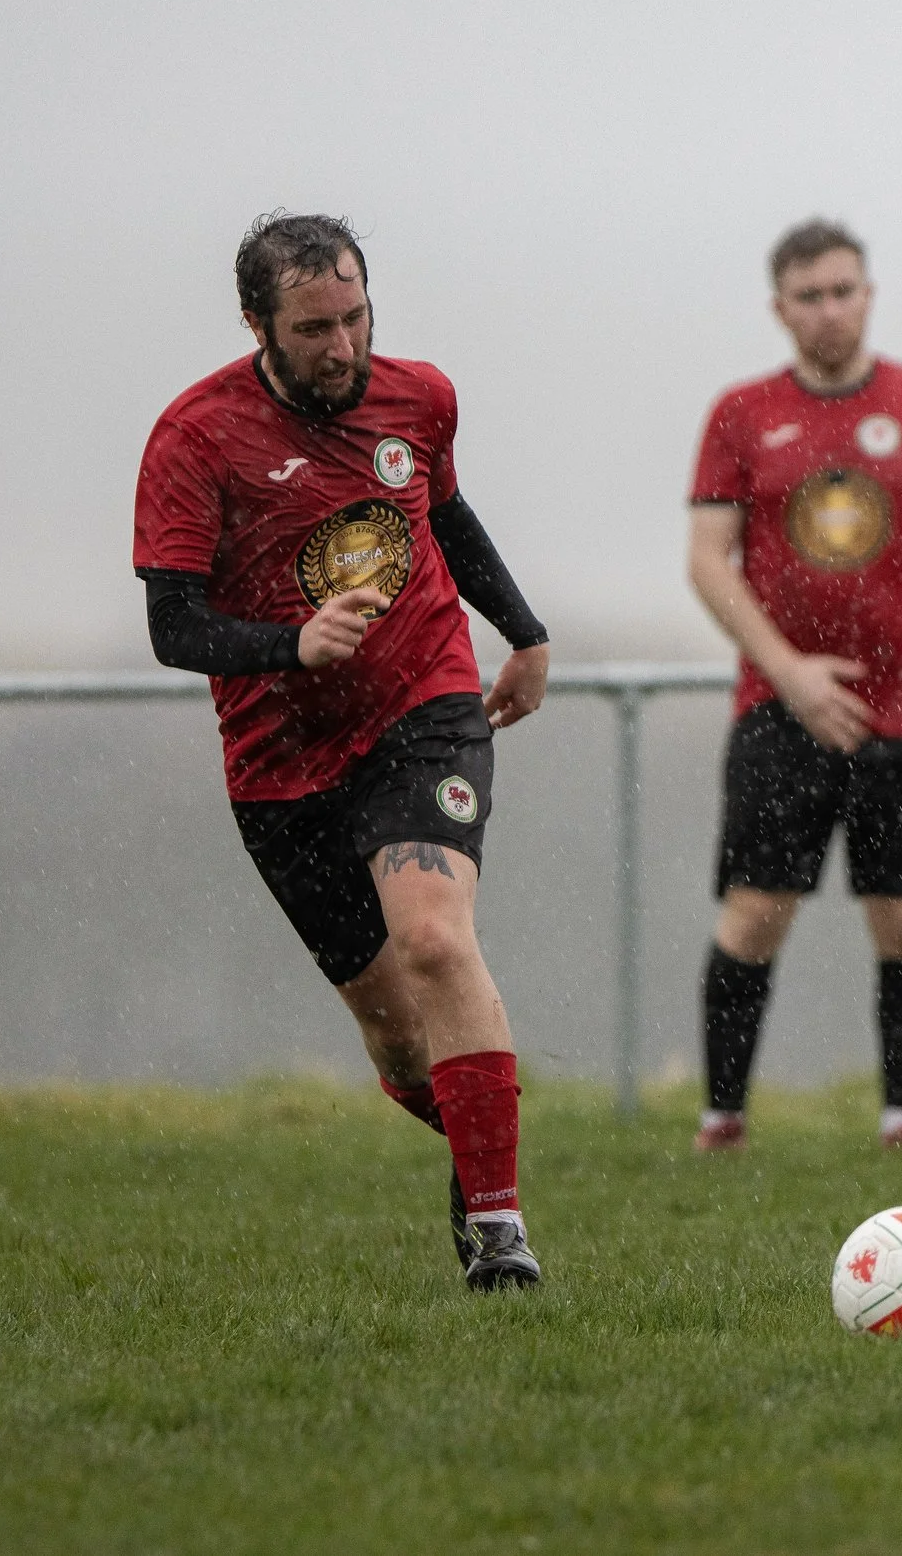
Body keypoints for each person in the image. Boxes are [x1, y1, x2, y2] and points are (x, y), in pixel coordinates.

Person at [132, 213, 550, 1291]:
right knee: (402, 1048)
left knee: (436, 942)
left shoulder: (422, 397)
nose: (344, 346)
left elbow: (443, 511)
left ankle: (499, 1233)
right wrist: (291, 645)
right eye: (315, 327)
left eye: (357, 316)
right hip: (281, 765)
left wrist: (526, 631)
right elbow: (173, 625)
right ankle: (476, 1126)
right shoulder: (194, 437)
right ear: (257, 322)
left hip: (424, 704)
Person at [685, 220, 902, 1151]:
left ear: (869, 294)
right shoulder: (740, 414)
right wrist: (789, 672)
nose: (829, 310)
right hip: (779, 708)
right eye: (809, 295)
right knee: (756, 910)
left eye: (844, 290)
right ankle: (723, 1118)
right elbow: (708, 562)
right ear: (780, 308)